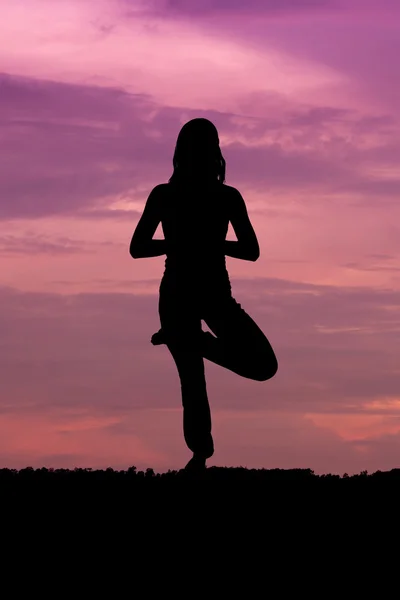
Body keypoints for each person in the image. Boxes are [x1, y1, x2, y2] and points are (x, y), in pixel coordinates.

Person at [129, 118, 278, 472]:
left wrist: (209, 243)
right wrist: (181, 243)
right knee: (192, 381)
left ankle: (196, 343)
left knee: (263, 364)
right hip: (179, 293)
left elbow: (251, 250)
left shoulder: (227, 197)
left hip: (215, 295)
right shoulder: (165, 195)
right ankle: (199, 457)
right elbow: (137, 247)